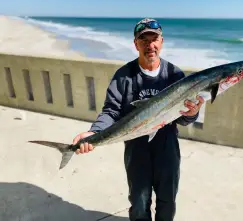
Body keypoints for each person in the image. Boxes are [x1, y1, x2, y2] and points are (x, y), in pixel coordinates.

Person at [72, 18, 204, 221]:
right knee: (139, 202)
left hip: (167, 147)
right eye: (143, 40)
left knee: (167, 200)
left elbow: (184, 120)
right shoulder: (123, 76)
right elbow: (111, 111)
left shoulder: (175, 75)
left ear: (161, 41)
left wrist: (192, 113)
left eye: (154, 39)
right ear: (135, 44)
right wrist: (94, 132)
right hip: (136, 147)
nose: (149, 45)